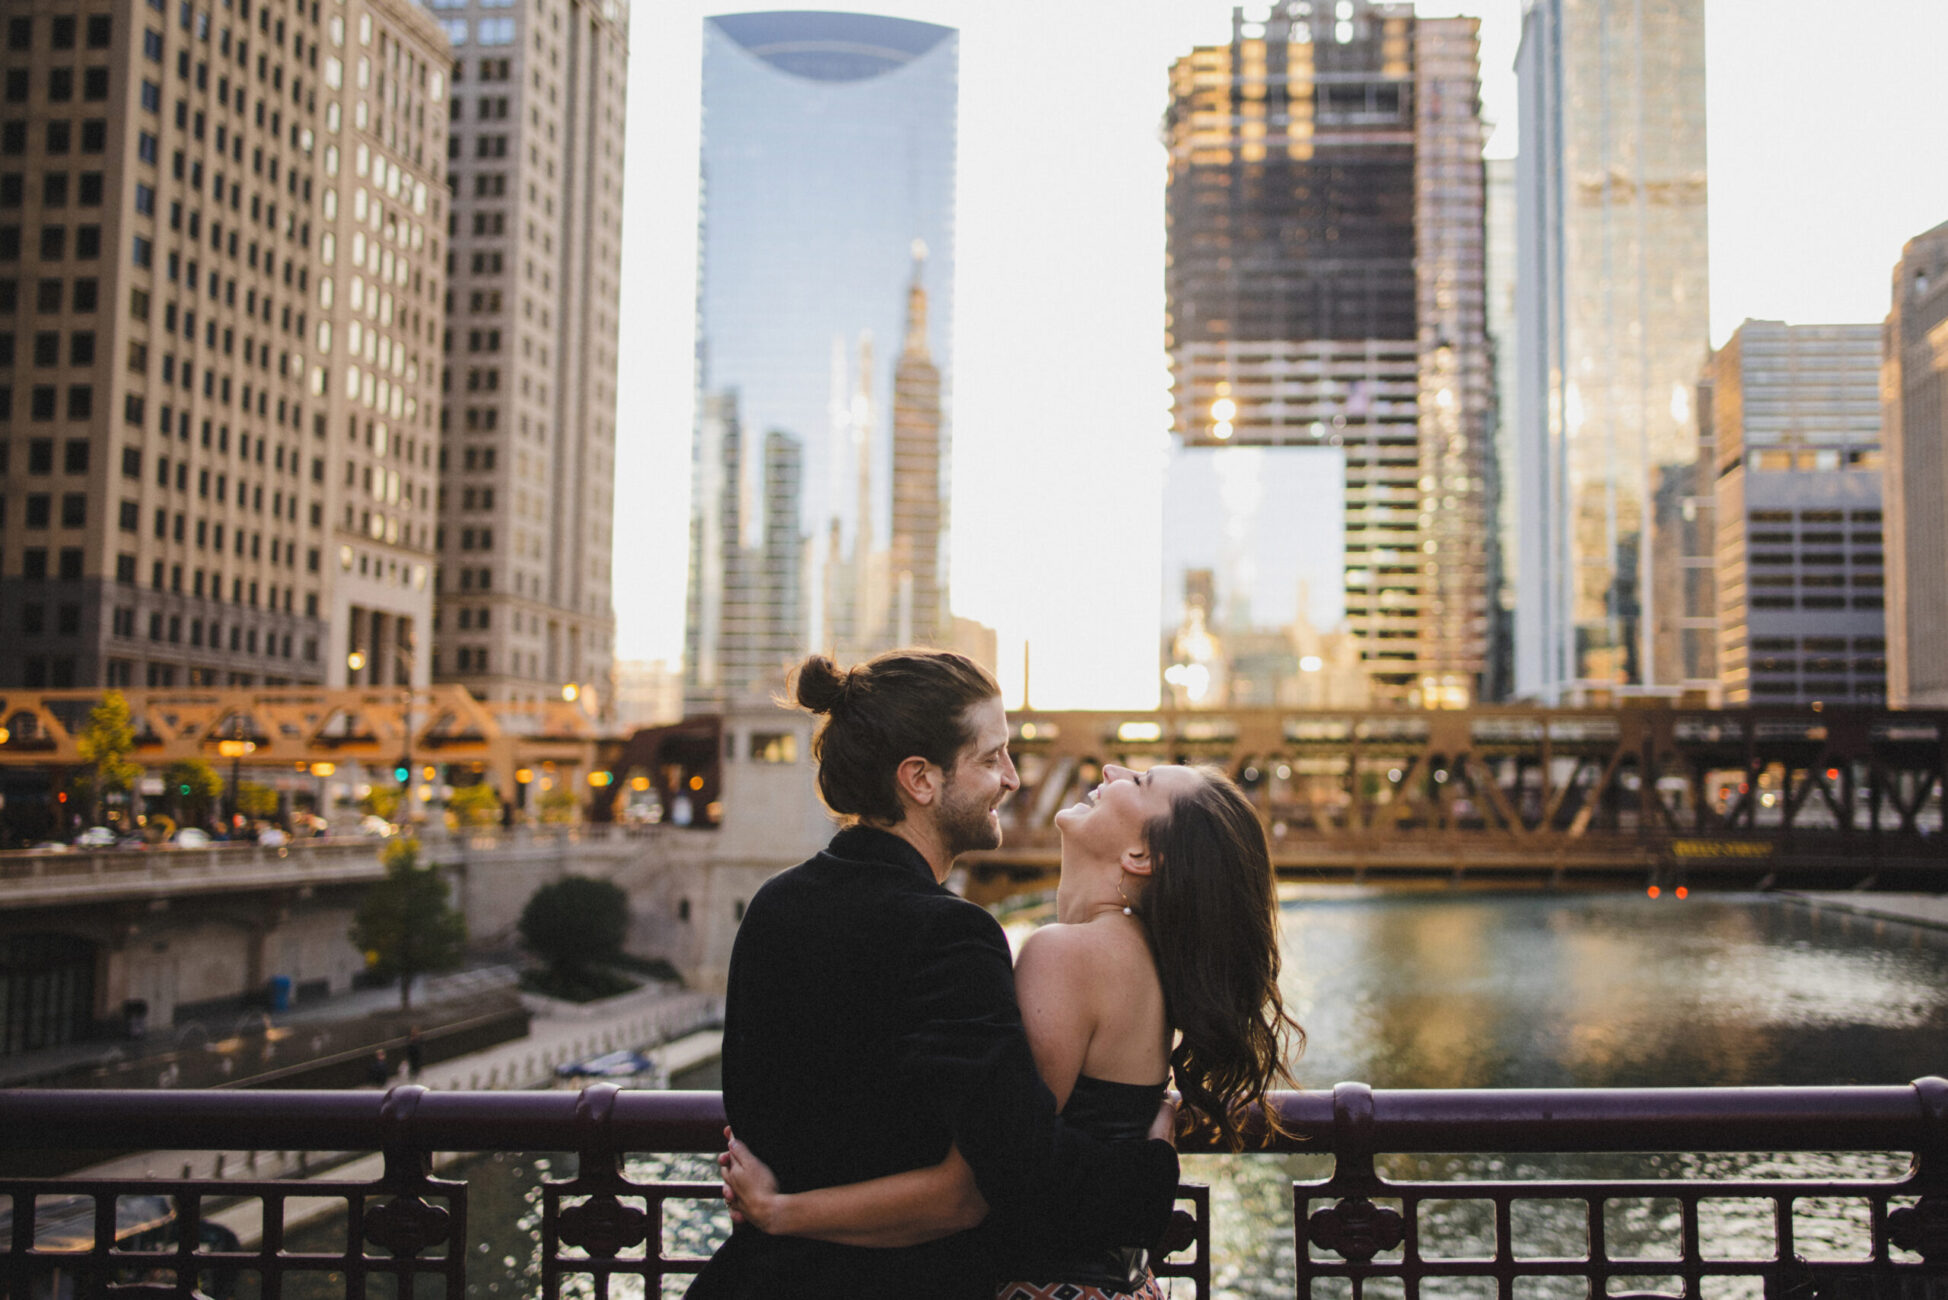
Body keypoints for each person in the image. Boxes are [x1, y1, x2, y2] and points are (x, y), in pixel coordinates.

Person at [685, 650, 1181, 1300]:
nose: (1011, 779)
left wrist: (779, 1212)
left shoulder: (775, 905)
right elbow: (996, 1182)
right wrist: (1155, 1147)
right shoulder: (950, 935)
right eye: (990, 758)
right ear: (919, 779)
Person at [719, 760, 1304, 1299]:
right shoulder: (1136, 958)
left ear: (1139, 856)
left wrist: (780, 1212)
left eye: (1142, 781)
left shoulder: (1068, 954)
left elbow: (967, 1191)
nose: (1111, 768)